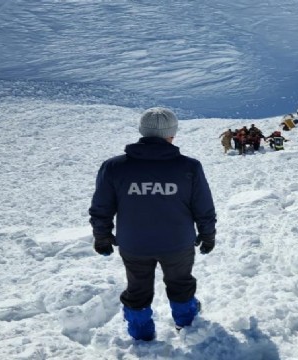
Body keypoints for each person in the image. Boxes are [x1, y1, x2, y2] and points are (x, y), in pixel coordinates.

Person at [88, 107, 217, 341]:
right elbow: (203, 207)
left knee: (137, 288)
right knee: (180, 283)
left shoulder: (114, 167)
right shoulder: (189, 167)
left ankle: (140, 333)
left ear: (142, 132)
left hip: (134, 245)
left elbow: (102, 208)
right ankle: (186, 325)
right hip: (178, 244)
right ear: (172, 134)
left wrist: (102, 236)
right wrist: (208, 234)